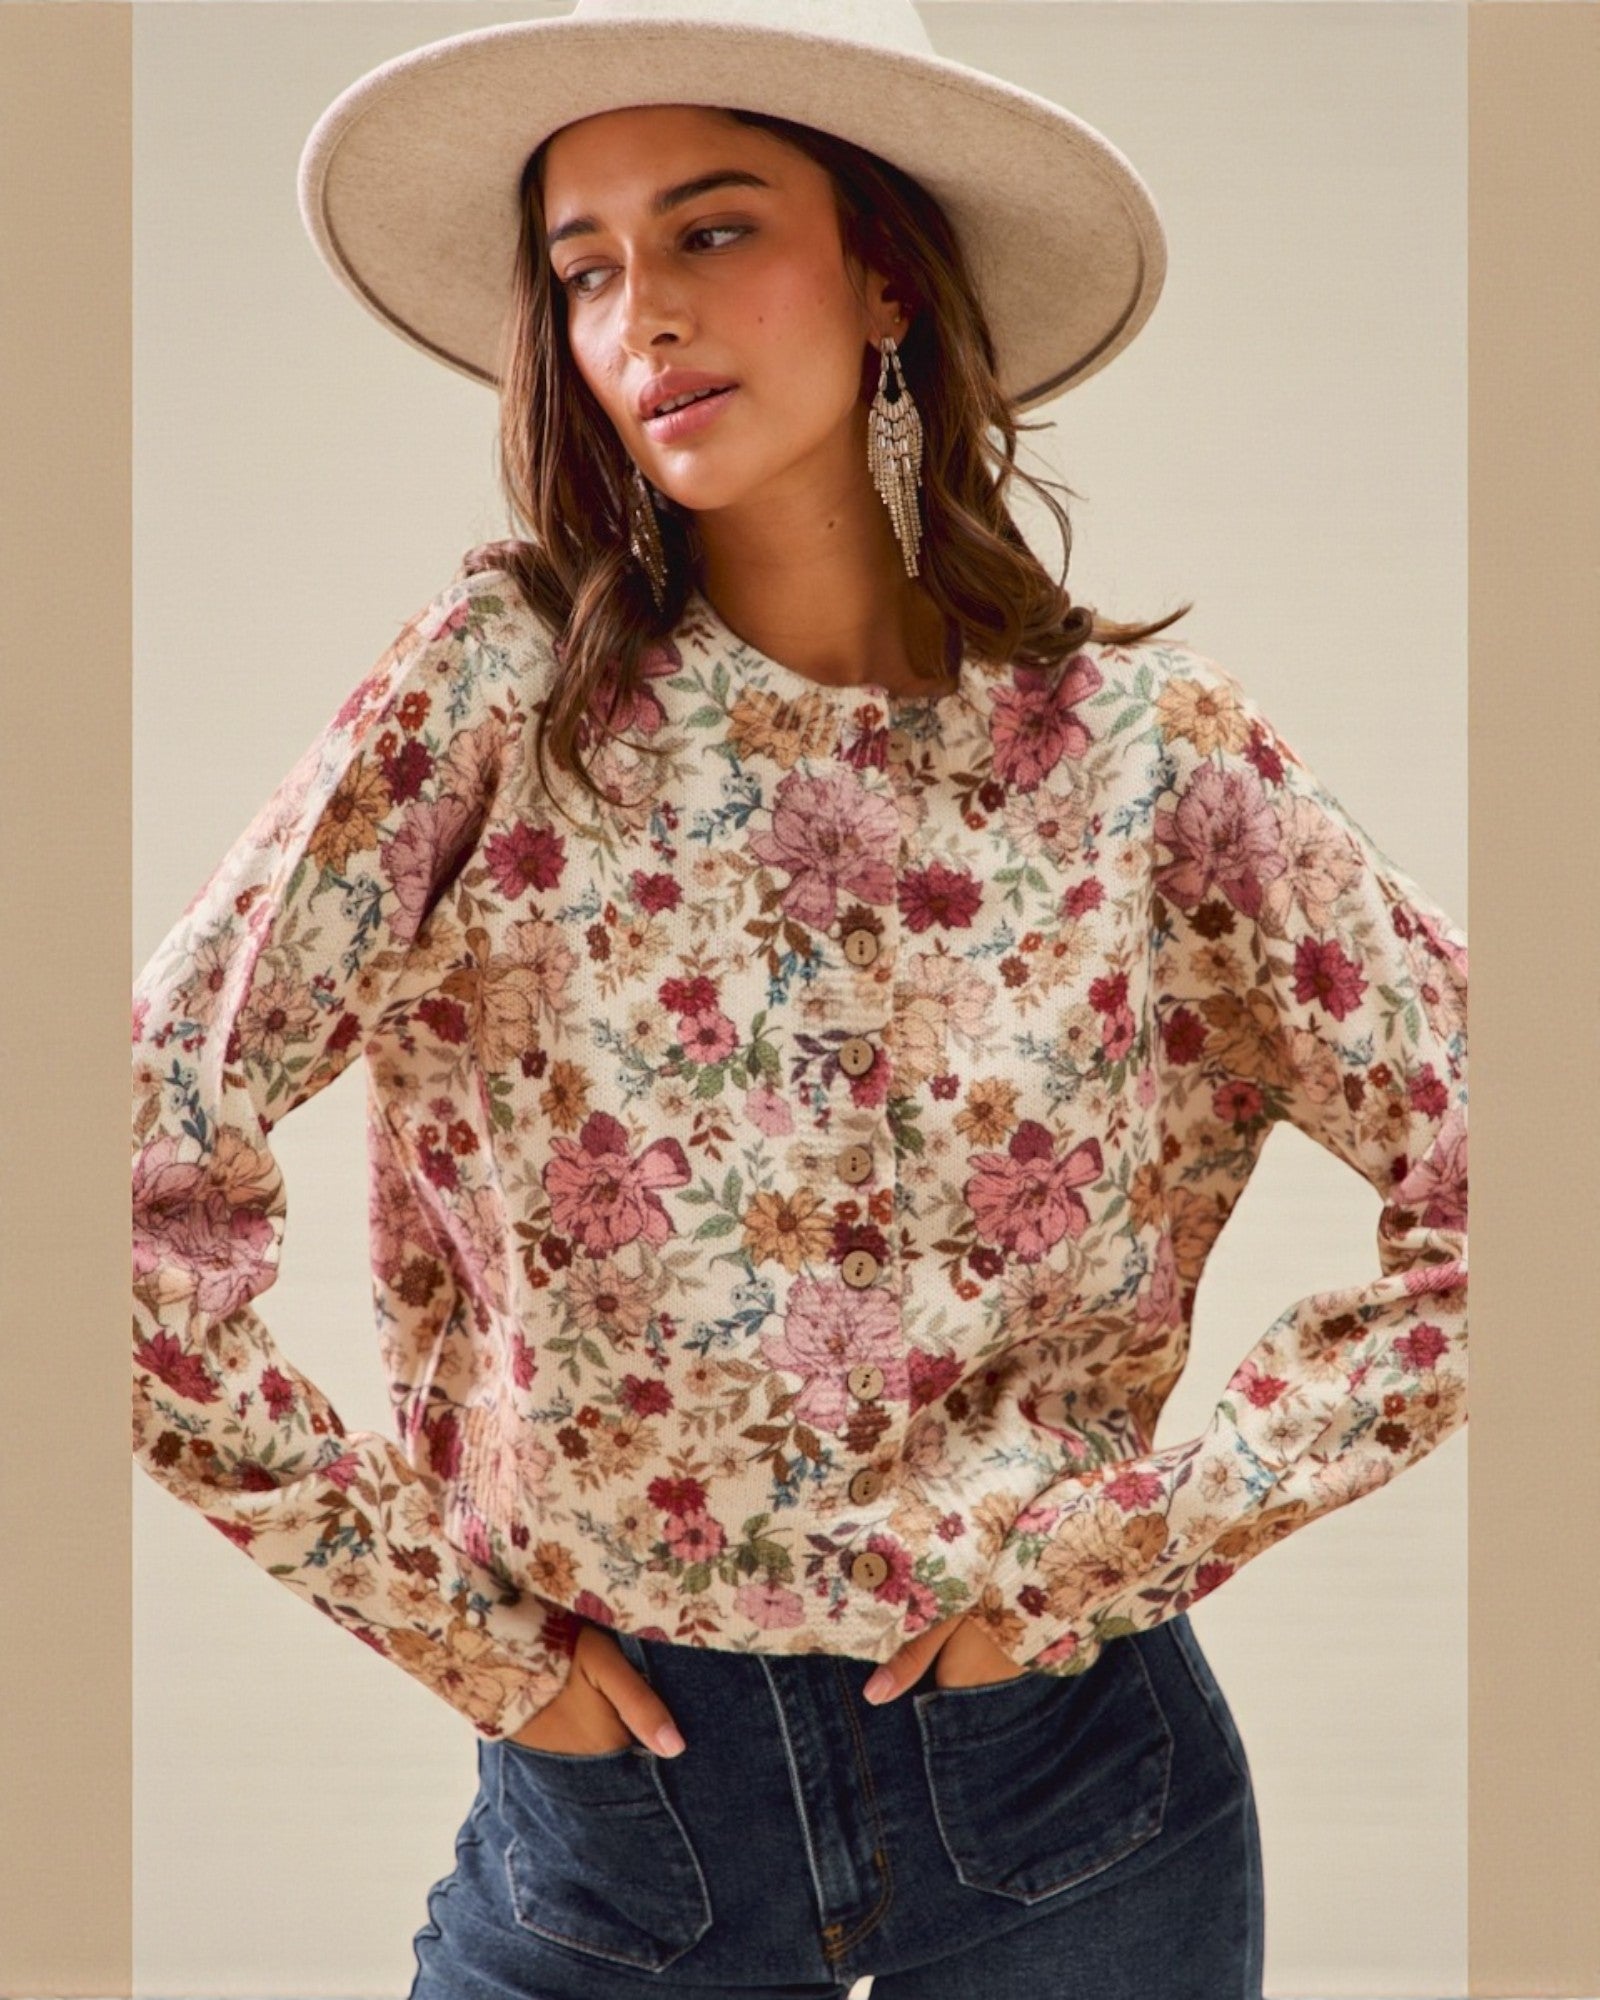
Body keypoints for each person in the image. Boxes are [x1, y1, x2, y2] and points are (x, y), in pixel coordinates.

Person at [131, 2, 1467, 1994]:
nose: (637, 318)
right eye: (584, 269)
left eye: (711, 230)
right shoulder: (499, 696)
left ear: (885, 279)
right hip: (617, 1821)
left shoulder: (1145, 760)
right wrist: (471, 1645)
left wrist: (1116, 1557)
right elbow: (118, 1188)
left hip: (1068, 1798)